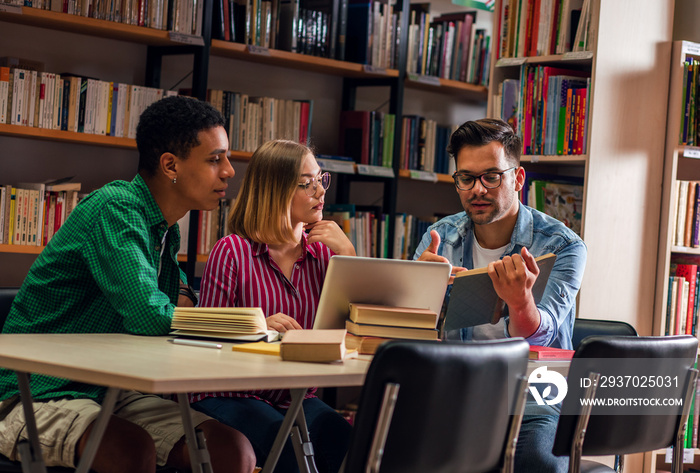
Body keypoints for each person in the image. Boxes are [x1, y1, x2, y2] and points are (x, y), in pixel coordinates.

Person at [0, 96, 256, 473]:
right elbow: (150, 316)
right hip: (37, 392)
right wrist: (243, 324)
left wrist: (234, 321)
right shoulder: (116, 208)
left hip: (107, 390)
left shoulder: (163, 229)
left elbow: (177, 305)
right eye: (215, 159)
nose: (230, 172)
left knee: (232, 450)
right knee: (130, 449)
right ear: (170, 164)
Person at [413, 118, 587, 472]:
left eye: (491, 176)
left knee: (538, 463)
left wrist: (521, 302)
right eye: (466, 178)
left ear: (517, 179)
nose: (478, 189)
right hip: (455, 393)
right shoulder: (439, 237)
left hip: (532, 398)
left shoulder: (563, 246)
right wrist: (422, 292)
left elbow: (544, 333)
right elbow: (409, 331)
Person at [189, 139, 356, 473]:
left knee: (351, 446)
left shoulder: (325, 256)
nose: (320, 192)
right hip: (229, 394)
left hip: (295, 396)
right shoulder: (232, 251)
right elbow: (203, 344)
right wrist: (257, 326)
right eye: (307, 184)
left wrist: (350, 255)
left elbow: (356, 332)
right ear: (274, 190)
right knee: (287, 448)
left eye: (321, 179)